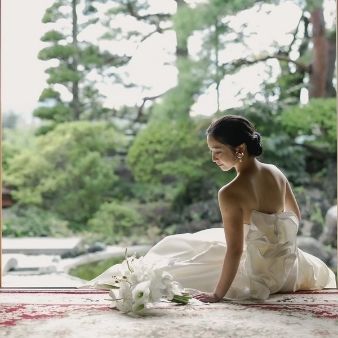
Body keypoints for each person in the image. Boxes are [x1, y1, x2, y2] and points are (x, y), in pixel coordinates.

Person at [86, 115, 337, 302]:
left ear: (239, 150)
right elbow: (295, 216)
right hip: (287, 266)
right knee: (195, 242)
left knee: (175, 252)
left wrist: (218, 294)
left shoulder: (230, 192)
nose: (213, 158)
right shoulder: (276, 173)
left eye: (217, 151)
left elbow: (236, 251)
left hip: (256, 273)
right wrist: (276, 247)